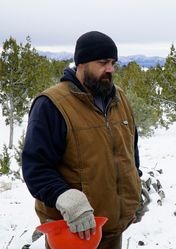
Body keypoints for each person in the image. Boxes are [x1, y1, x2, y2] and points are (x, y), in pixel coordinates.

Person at [22, 31, 142, 249]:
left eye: (113, 62)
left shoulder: (119, 98)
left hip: (114, 229)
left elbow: (130, 151)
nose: (110, 69)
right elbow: (35, 168)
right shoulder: (52, 104)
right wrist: (64, 195)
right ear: (81, 64)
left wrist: (133, 192)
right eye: (103, 62)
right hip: (73, 233)